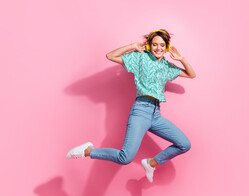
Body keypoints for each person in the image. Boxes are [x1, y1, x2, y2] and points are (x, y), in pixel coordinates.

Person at [66, 29, 196, 183]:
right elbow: (110, 56)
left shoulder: (167, 66)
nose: (158, 48)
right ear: (149, 45)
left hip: (156, 114)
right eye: (155, 44)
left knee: (184, 144)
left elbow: (191, 74)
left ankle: (151, 163)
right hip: (141, 111)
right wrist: (133, 46)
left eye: (162, 45)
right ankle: (88, 151)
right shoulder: (140, 58)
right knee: (125, 157)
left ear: (167, 47)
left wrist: (181, 59)